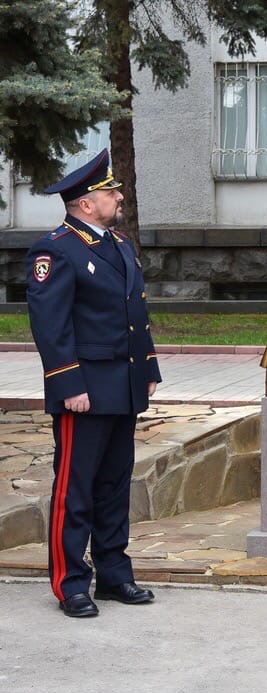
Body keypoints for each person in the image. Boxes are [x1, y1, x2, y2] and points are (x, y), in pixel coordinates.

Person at [26, 149, 161, 618]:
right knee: (75, 488)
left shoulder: (118, 244)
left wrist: (147, 371)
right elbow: (51, 325)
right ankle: (70, 583)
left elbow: (135, 314)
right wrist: (68, 384)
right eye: (110, 192)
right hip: (83, 390)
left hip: (121, 385)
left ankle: (114, 574)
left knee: (112, 486)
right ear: (86, 203)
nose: (119, 196)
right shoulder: (56, 250)